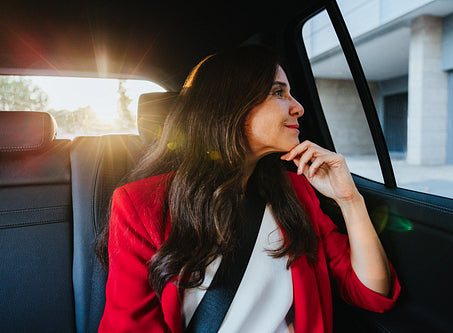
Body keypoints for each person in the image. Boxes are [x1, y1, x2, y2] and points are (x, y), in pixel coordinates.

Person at [96, 45, 401, 333]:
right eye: (278, 92)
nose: (299, 108)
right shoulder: (141, 204)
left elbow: (373, 293)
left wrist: (350, 200)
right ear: (230, 105)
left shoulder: (297, 192)